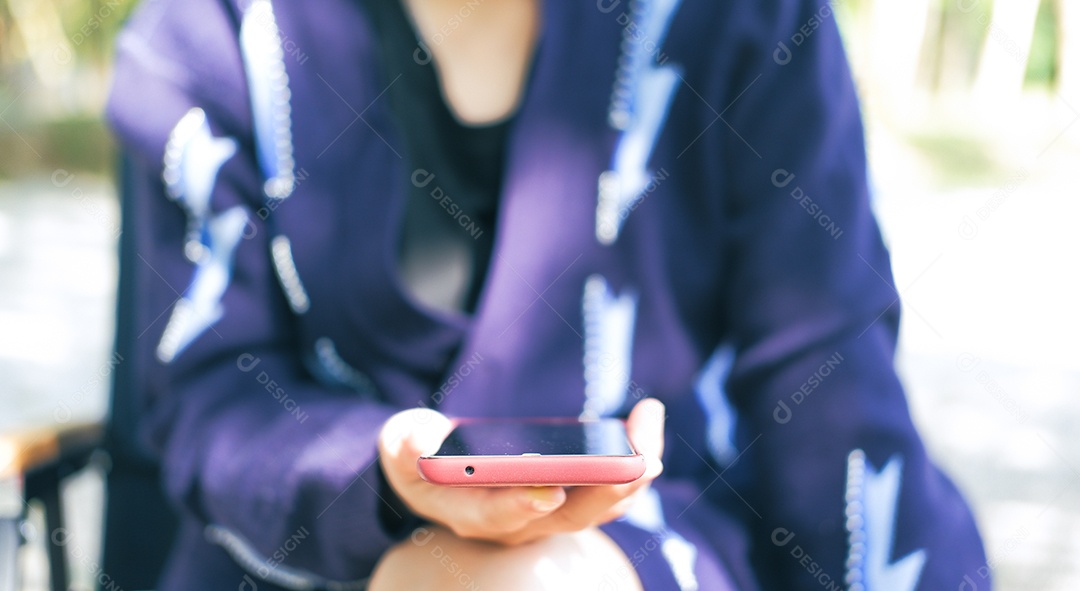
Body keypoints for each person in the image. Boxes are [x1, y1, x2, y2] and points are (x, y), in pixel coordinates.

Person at [106, 0, 988, 589]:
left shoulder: (744, 18)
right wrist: (381, 487)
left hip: (665, 544)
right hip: (303, 556)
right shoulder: (203, 35)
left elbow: (832, 399)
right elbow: (211, 395)